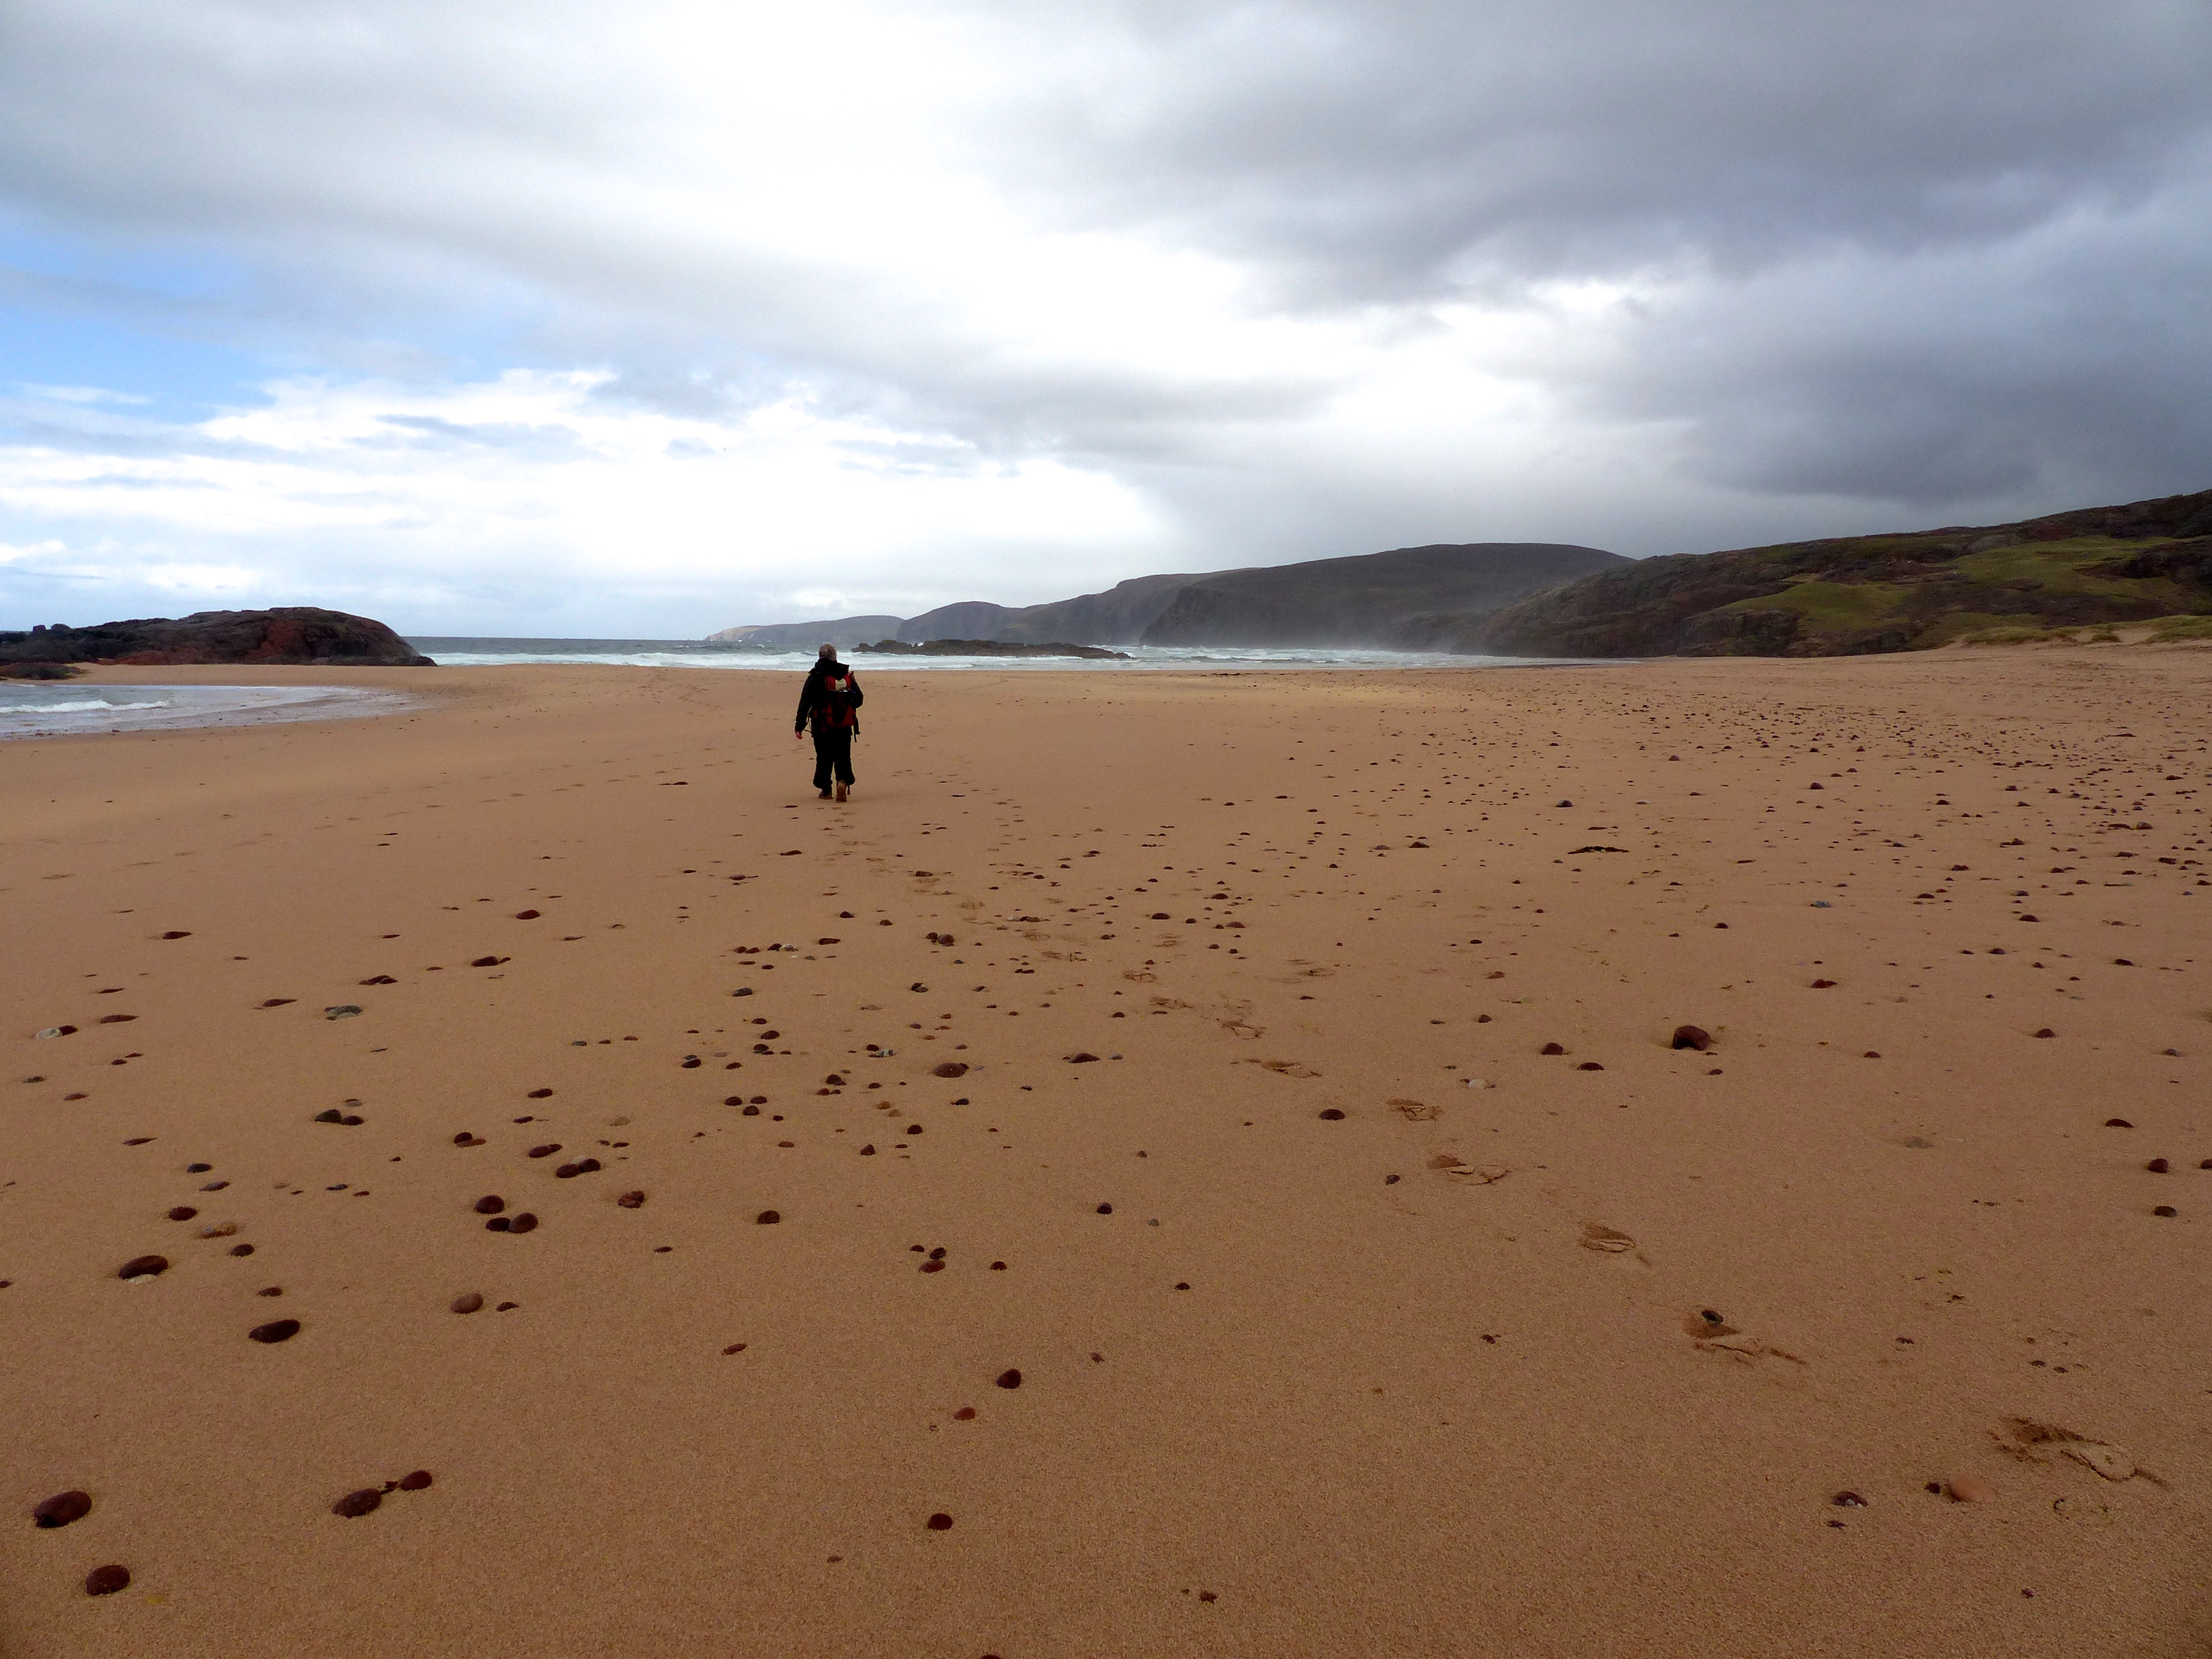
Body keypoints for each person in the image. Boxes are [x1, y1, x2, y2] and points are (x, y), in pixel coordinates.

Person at [794, 644, 863, 801]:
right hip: (845, 724)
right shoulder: (846, 675)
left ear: (820, 656)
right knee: (843, 755)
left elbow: (805, 703)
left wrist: (799, 726)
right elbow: (859, 700)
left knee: (824, 757)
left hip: (821, 725)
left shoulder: (815, 676)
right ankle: (842, 781)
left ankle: (826, 790)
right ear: (835, 657)